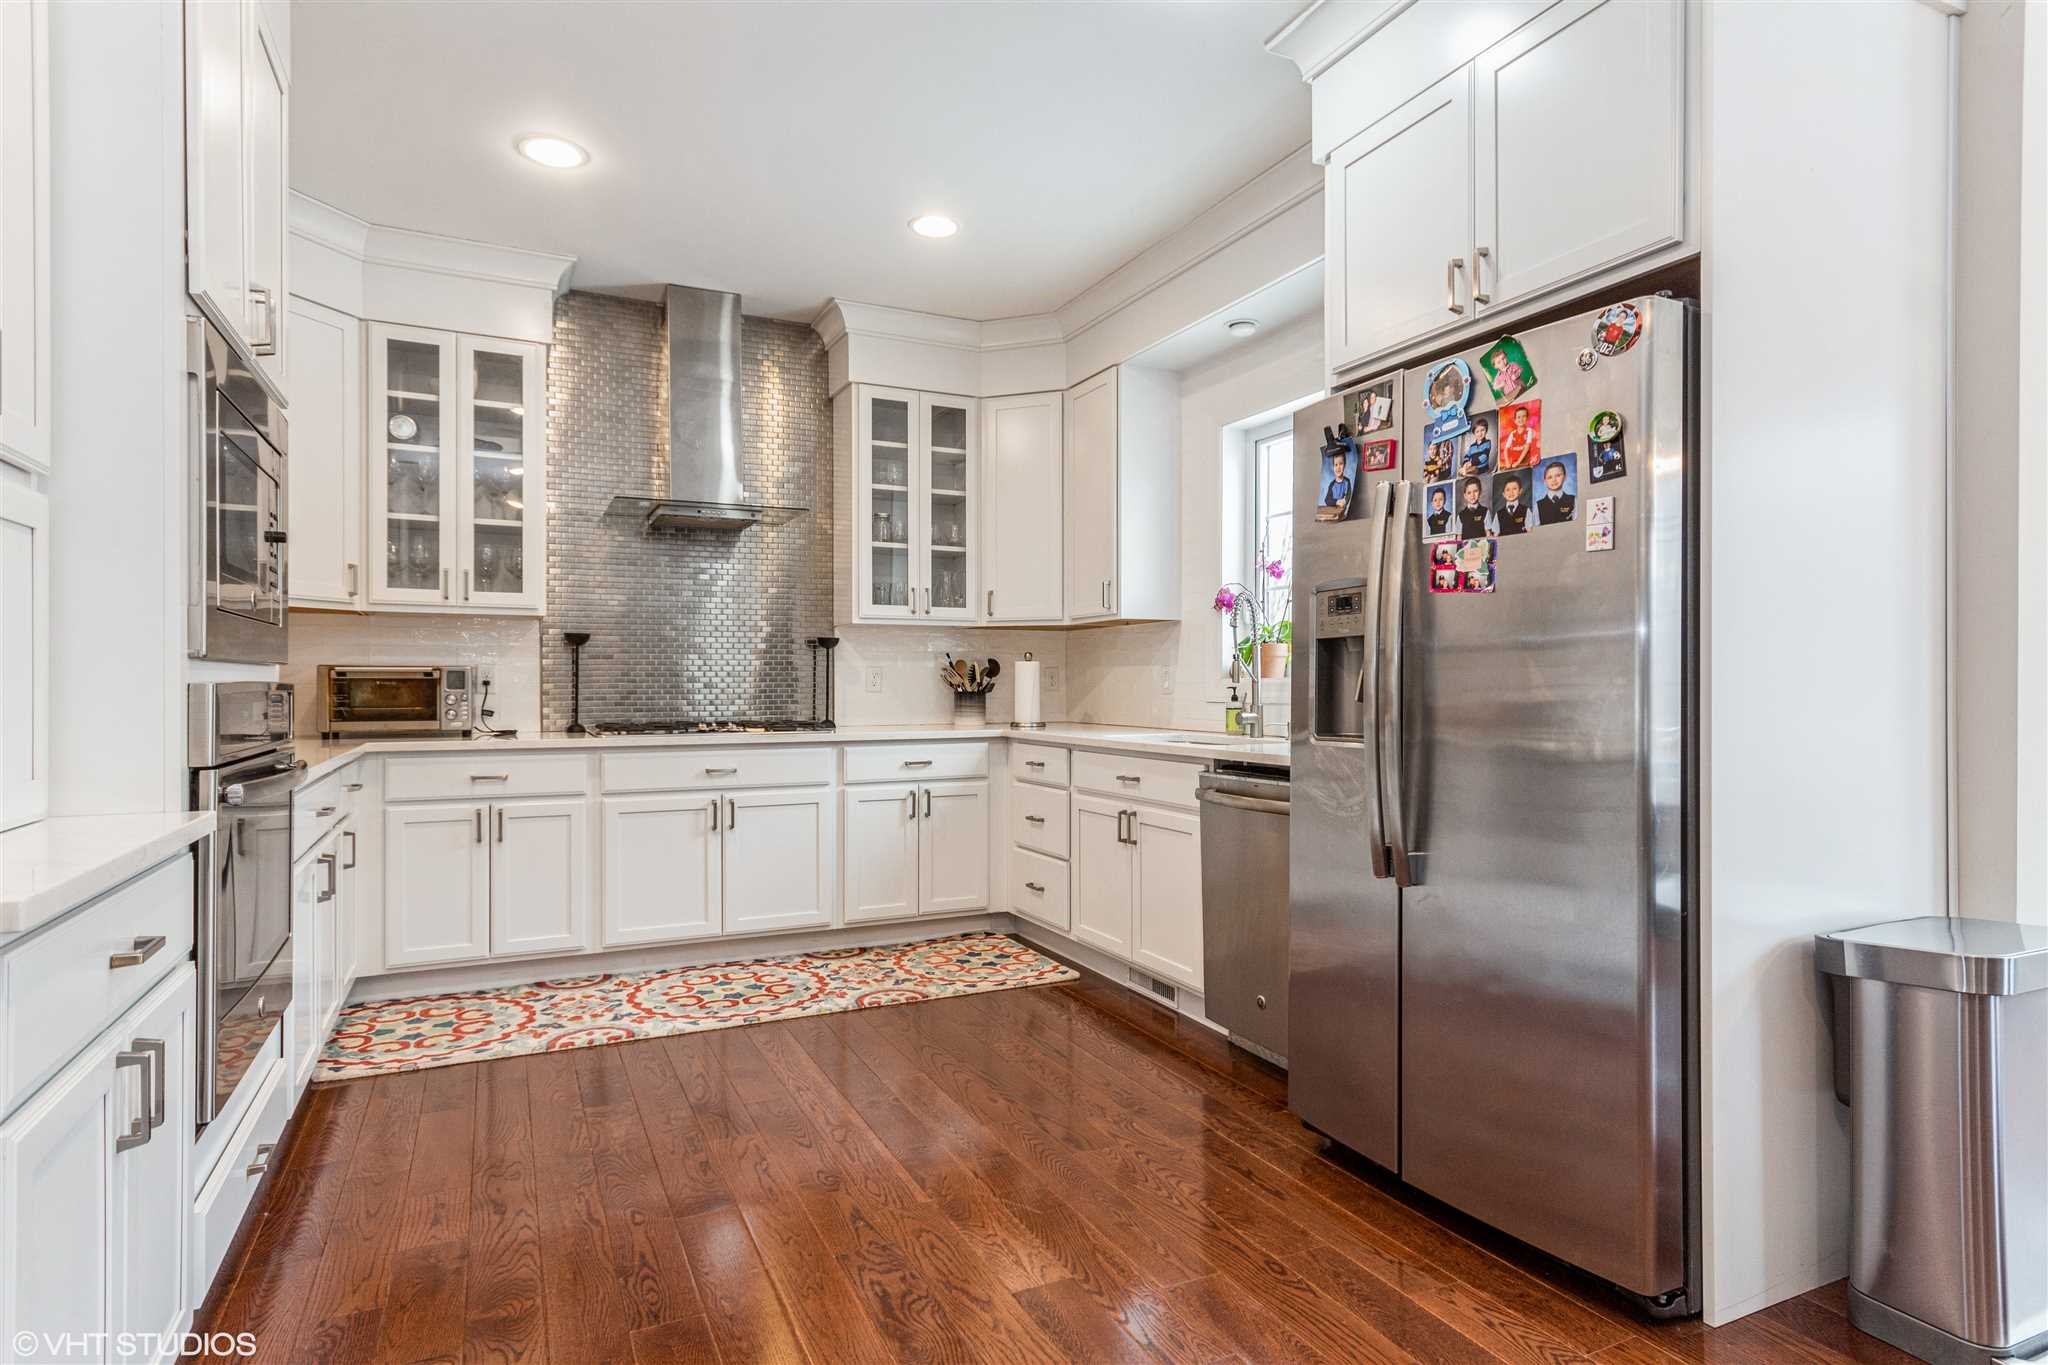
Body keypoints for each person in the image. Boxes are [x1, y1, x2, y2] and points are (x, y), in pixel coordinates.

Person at [1535, 459, 1576, 524]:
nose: (1554, 480)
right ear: (1545, 481)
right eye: (1550, 477)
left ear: (1565, 477)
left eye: (1558, 475)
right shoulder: (1538, 506)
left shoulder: (1574, 500)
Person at [1499, 404, 1537, 469]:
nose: (1521, 419)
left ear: (1527, 418)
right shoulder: (1512, 433)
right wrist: (1507, 462)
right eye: (1518, 417)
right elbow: (1506, 449)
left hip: (1524, 460)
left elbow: (1527, 447)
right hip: (1513, 461)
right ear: (1515, 420)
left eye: (1524, 416)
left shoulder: (1529, 431)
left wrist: (1518, 462)